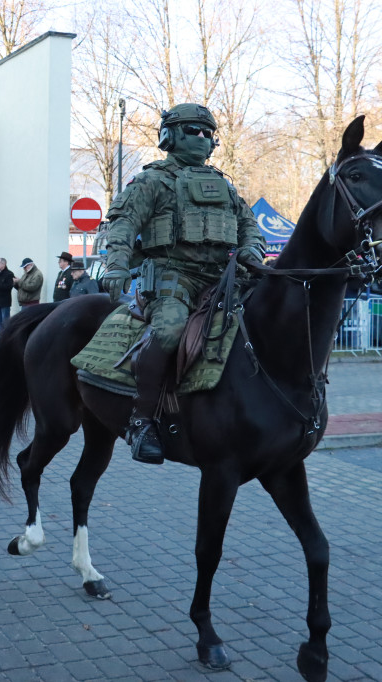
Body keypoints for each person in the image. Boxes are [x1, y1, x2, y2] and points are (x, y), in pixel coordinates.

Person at [101, 103, 266, 464]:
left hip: (225, 278)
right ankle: (141, 421)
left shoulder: (223, 184)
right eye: (194, 131)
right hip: (174, 277)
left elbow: (249, 225)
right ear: (170, 136)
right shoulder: (152, 180)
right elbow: (124, 223)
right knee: (170, 330)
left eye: (208, 133)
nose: (203, 139)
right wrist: (115, 266)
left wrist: (252, 249)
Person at [0, 257, 15, 332]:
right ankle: (0, 338)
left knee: (6, 322)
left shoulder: (9, 274)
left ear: (3, 264)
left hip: (5, 302)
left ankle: (6, 339)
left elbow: (9, 287)